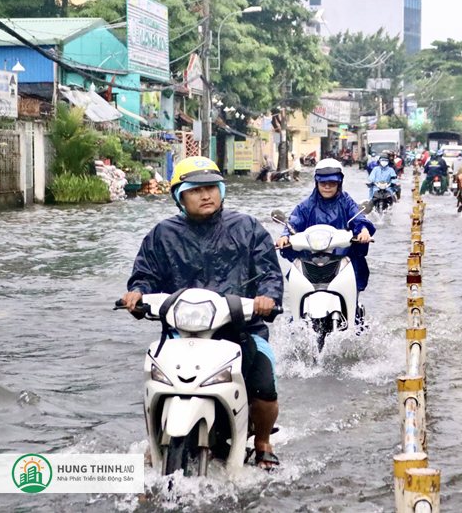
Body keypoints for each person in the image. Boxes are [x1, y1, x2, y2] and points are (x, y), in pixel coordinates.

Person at [121, 156, 284, 470]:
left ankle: (263, 442)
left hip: (241, 329)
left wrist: (268, 298)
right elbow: (145, 274)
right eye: (196, 189)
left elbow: (269, 273)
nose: (206, 195)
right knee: (154, 383)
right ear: (180, 197)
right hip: (179, 334)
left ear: (221, 190)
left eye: (212, 187)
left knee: (264, 386)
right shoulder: (162, 234)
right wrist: (137, 293)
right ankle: (156, 439)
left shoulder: (247, 228)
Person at [275, 158, 375, 323]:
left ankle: (354, 321)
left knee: (354, 297)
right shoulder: (306, 205)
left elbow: (358, 218)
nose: (327, 186)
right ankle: (297, 324)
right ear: (316, 183)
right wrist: (285, 236)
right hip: (310, 259)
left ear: (339, 182)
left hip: (341, 258)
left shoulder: (346, 202)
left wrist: (363, 231)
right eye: (323, 183)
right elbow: (293, 222)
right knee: (295, 311)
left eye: (331, 183)